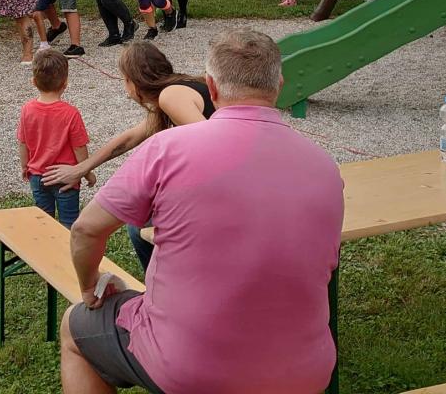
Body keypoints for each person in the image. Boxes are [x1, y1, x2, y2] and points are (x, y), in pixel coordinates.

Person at [61, 30, 343, 394]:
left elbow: (85, 230)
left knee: (75, 328)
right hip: (307, 371)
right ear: (279, 85)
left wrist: (89, 286)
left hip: (192, 369)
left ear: (211, 87)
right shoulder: (325, 166)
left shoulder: (168, 148)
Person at [43, 41, 212, 270]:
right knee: (139, 225)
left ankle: (163, 285)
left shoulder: (170, 96)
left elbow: (211, 143)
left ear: (133, 81)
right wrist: (82, 168)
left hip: (223, 187)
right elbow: (130, 138)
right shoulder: (175, 90)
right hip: (226, 179)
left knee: (140, 226)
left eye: (124, 79)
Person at [18, 50, 96, 229]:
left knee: (43, 222)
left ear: (33, 82)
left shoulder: (27, 110)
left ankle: (43, 246)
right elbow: (79, 148)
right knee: (69, 223)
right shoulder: (71, 113)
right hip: (65, 177)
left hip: (38, 176)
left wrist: (25, 166)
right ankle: (67, 248)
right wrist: (86, 172)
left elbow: (23, 142)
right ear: (65, 83)